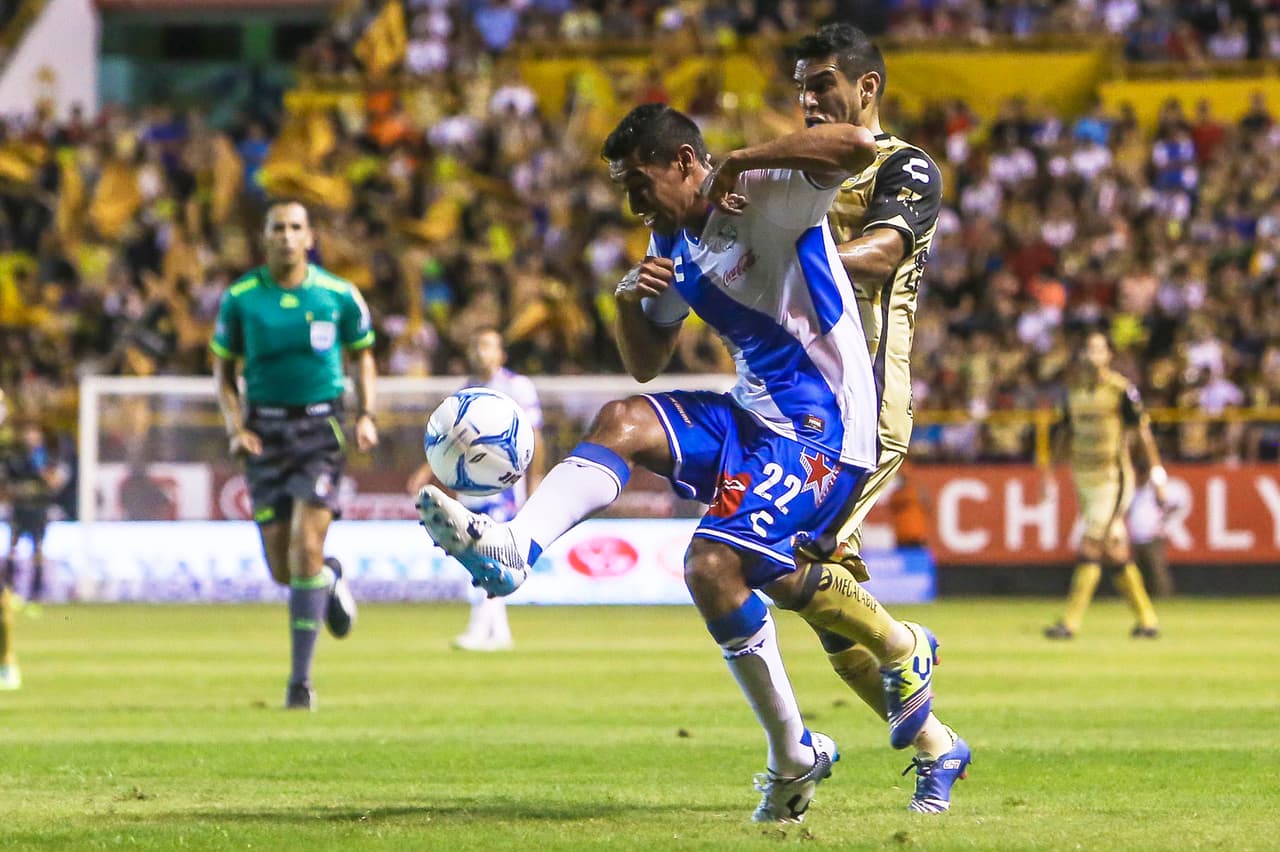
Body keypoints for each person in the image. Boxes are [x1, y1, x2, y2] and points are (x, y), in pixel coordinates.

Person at [417, 103, 942, 823]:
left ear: (687, 164)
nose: (631, 204)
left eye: (639, 183)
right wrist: (631, 299)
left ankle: (796, 751)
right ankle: (514, 548)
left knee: (712, 565)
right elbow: (644, 365)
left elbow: (855, 144)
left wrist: (740, 160)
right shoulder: (670, 238)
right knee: (622, 422)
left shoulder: (762, 192)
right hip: (753, 416)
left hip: (823, 431)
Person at [790, 22, 970, 813]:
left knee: (792, 558)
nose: (807, 99)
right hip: (804, 406)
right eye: (801, 85)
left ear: (866, 89)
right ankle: (939, 746)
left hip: (868, 404)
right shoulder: (797, 173)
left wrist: (785, 256)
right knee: (828, 615)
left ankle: (909, 647)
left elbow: (880, 253)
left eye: (822, 83)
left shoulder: (907, 166)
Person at [211, 199, 378, 710]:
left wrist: (366, 414)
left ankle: (299, 683)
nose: (286, 236)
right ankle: (328, 578)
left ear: (310, 237)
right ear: (264, 238)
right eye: (277, 228)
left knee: (304, 545)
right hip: (265, 433)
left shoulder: (338, 295)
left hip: (320, 429)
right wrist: (236, 428)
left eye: (296, 228)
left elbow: (362, 354)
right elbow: (223, 372)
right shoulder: (240, 299)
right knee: (285, 569)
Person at [406, 328, 545, 651]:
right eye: (475, 346)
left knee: (488, 553)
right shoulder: (466, 391)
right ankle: (500, 632)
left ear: (501, 354)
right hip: (470, 486)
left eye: (486, 346)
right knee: (475, 552)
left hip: (504, 488)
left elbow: (535, 436)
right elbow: (450, 442)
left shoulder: (517, 387)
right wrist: (426, 470)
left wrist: (536, 479)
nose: (479, 352)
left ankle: (479, 630)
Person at [1045, 330, 1165, 639]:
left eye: (1098, 349)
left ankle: (1069, 622)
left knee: (1090, 542)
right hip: (1083, 477)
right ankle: (1148, 620)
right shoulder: (1073, 393)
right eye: (1087, 349)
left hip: (1113, 478)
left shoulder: (1121, 391)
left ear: (1108, 355)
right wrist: (1049, 472)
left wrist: (1157, 476)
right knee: (1114, 550)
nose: (1092, 355)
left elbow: (1142, 433)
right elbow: (1064, 433)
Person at [3, 420, 66, 604]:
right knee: (13, 548)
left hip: (39, 508)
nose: (31, 436)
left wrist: (44, 476)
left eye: (34, 433)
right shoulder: (16, 457)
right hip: (21, 507)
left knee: (37, 549)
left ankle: (36, 593)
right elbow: (8, 482)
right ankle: (9, 591)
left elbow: (54, 482)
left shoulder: (47, 456)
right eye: (28, 433)